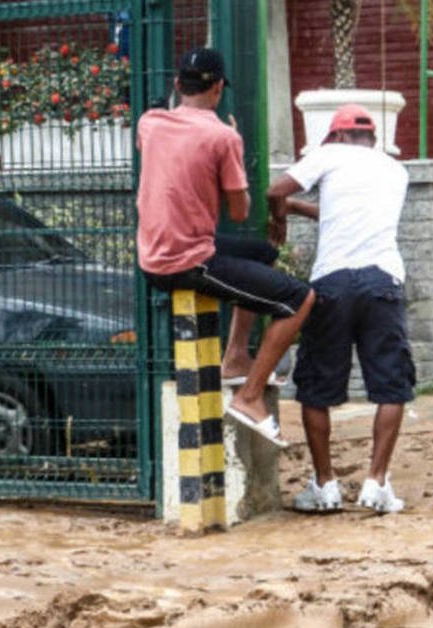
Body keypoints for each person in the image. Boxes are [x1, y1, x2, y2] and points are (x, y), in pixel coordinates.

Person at [136, 47, 314, 448]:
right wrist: (229, 148)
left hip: (152, 253)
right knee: (298, 298)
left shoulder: (149, 123)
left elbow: (158, 151)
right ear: (217, 88)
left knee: (263, 254)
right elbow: (238, 210)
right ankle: (249, 396)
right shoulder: (222, 136)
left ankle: (235, 354)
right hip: (188, 260)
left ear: (179, 85)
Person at [267, 103, 415, 514]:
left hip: (332, 283)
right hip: (382, 281)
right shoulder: (395, 170)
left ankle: (325, 485)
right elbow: (349, 214)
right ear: (372, 140)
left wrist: (280, 219)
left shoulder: (327, 155)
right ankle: (376, 482)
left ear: (335, 136)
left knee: (316, 387)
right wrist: (301, 210)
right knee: (391, 385)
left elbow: (275, 190)